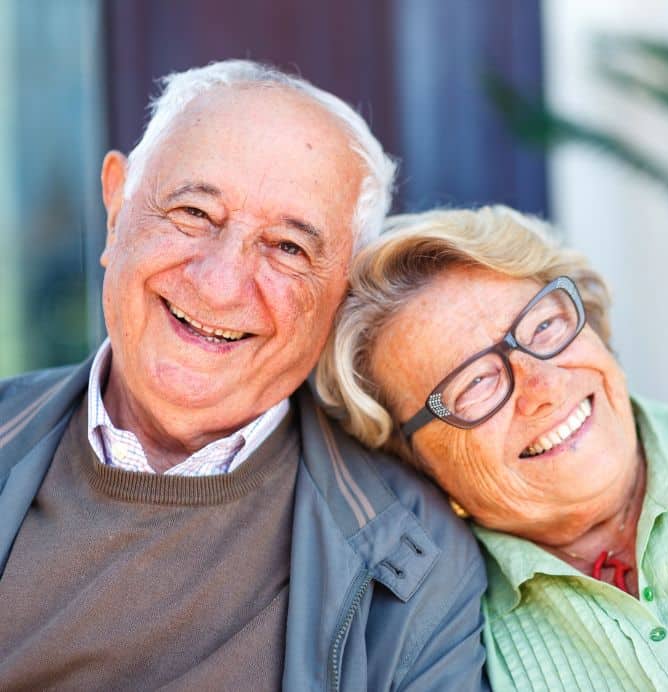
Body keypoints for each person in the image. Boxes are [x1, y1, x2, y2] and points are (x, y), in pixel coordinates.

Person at [0, 61, 489, 691]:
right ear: (117, 209)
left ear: (344, 292)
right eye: (194, 212)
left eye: (288, 247)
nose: (219, 283)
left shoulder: (416, 562)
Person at [316, 204, 668, 691]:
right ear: (416, 459)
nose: (544, 386)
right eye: (476, 382)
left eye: (543, 326)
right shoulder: (448, 640)